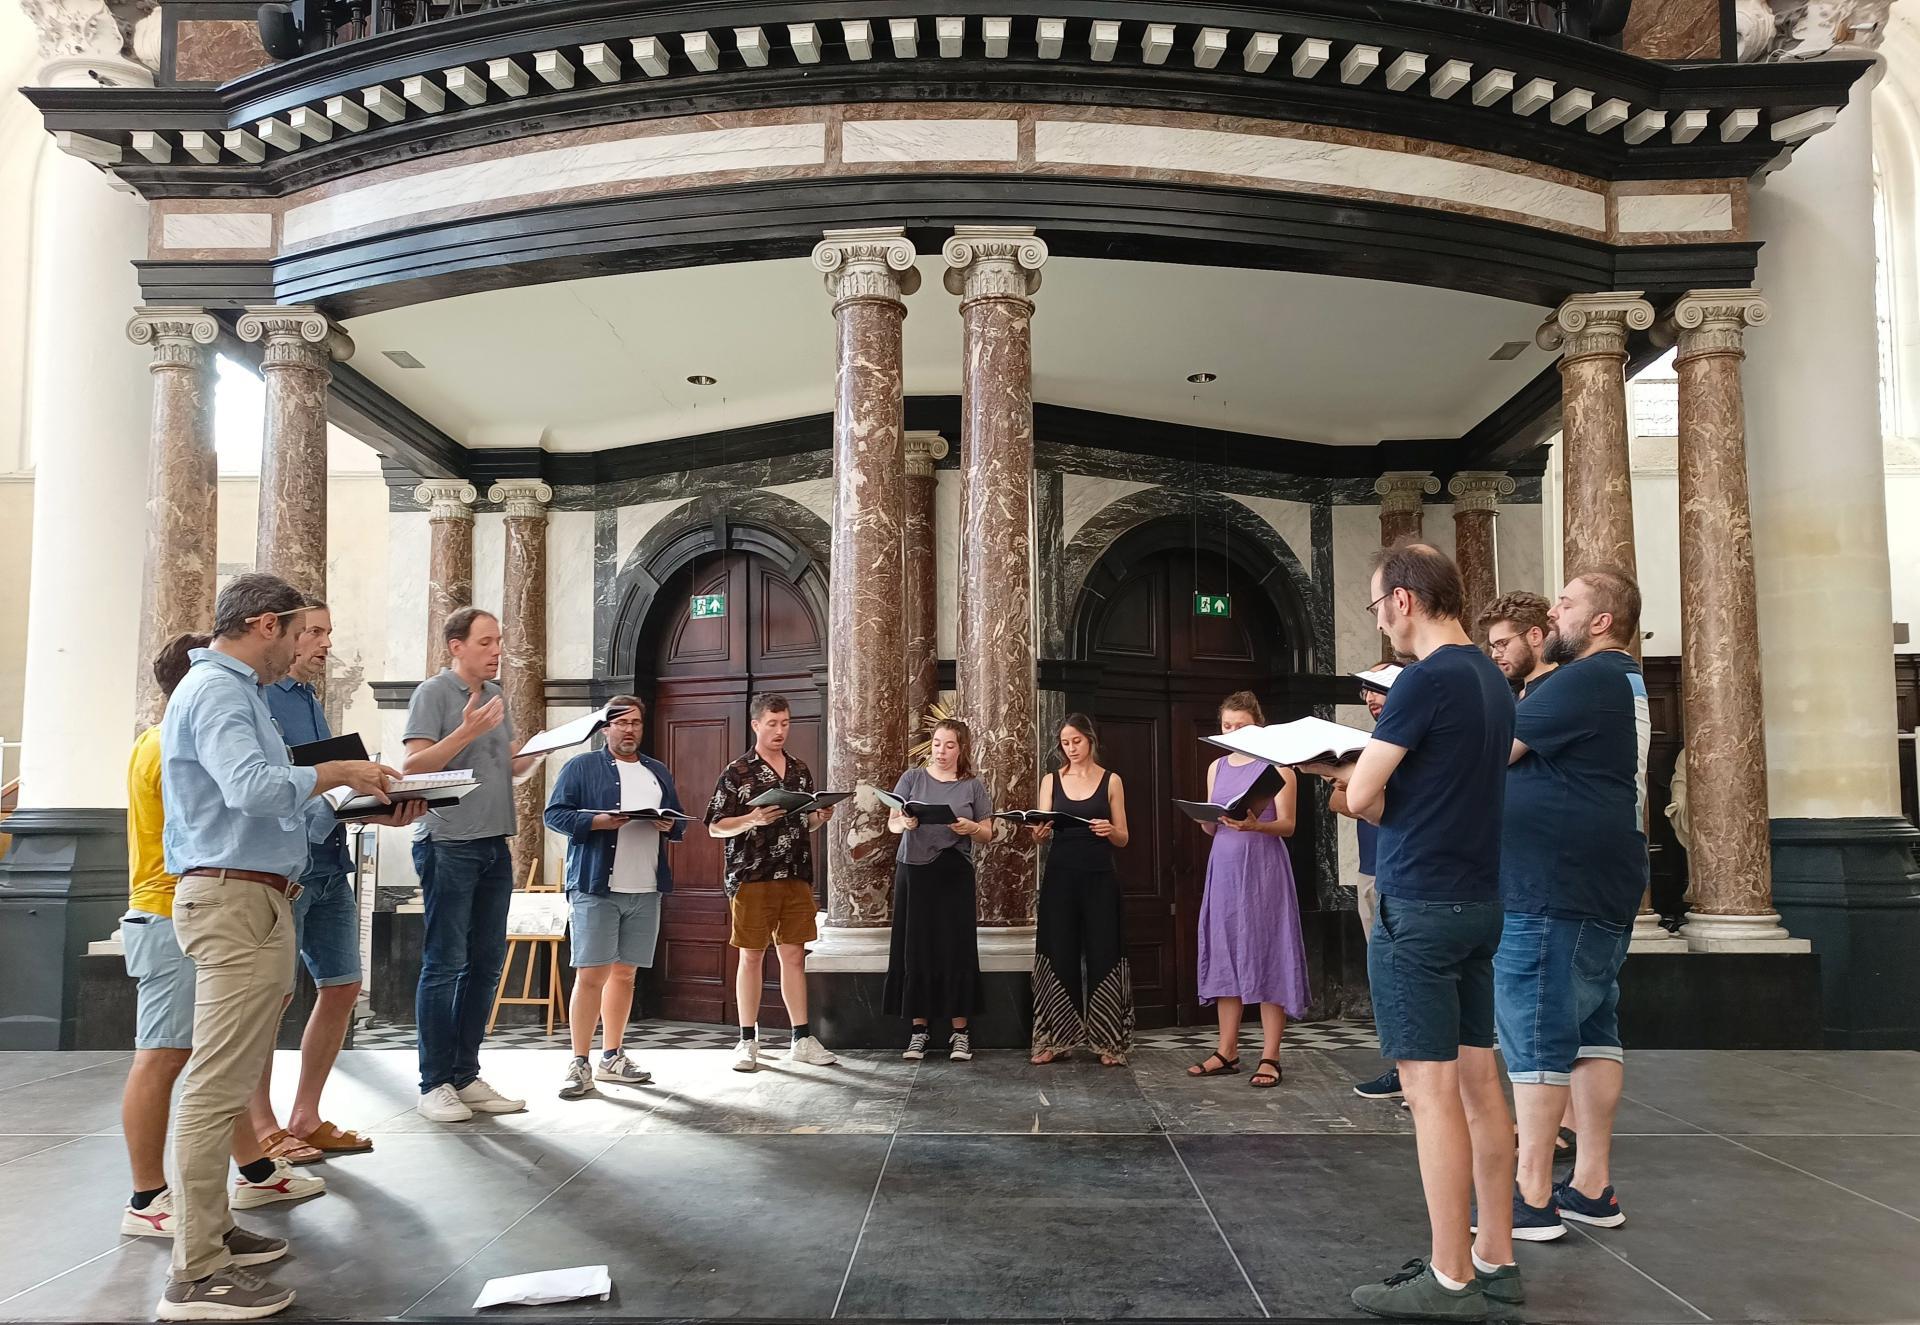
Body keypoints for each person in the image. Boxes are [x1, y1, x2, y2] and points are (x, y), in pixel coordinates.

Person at [156, 574, 417, 1322]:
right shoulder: (218, 689)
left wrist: (351, 798)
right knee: (215, 1083)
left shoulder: (232, 690)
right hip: (233, 895)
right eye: (299, 632)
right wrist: (339, 770)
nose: (305, 650)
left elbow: (273, 792)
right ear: (266, 624)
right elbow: (253, 788)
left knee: (230, 1071)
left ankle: (213, 1232)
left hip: (258, 891)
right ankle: (195, 1274)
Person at [1307, 544, 1519, 1320]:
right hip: (1477, 901)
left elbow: (1366, 795)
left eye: (1375, 605)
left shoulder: (1424, 679)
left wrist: (1335, 776)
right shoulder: (1492, 678)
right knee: (1478, 1085)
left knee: (1429, 1096)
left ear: (1402, 599)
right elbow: (1435, 799)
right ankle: (1494, 1257)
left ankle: (1450, 1276)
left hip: (1421, 907)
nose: (1380, 621)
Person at [119, 632, 326, 1249]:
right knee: (166, 1057)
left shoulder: (170, 735)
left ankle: (255, 1170)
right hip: (169, 908)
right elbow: (223, 815)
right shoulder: (165, 744)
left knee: (219, 1055)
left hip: (201, 902)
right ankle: (147, 1195)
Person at [1494, 570, 1648, 1243]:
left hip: (1557, 887)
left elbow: (1496, 750)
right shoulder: (1622, 680)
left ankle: (1530, 1195)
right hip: (1602, 881)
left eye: (1567, 602)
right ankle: (1590, 1184)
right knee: (1591, 1032)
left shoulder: (1585, 678)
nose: (1554, 610)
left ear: (1604, 619)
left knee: (1535, 1029)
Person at [402, 605, 540, 1122]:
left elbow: (511, 768)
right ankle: (433, 1082)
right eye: (485, 642)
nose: (496, 650)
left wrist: (536, 752)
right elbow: (412, 767)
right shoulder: (433, 694)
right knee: (444, 964)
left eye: (499, 641)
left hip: (493, 844)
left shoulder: (498, 696)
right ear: (456, 646)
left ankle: (465, 1074)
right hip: (448, 843)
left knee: (485, 966)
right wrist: (464, 732)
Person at [248, 601, 371, 1163]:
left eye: (329, 632)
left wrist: (364, 802)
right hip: (285, 869)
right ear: (284, 634)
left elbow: (324, 780)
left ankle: (305, 1114)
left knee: (343, 985)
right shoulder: (259, 697)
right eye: (315, 632)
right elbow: (279, 787)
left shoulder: (308, 698)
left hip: (329, 862)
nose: (325, 644)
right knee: (271, 996)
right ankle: (262, 1123)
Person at [543, 696, 687, 1099]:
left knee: (626, 974)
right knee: (591, 975)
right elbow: (554, 814)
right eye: (620, 723)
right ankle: (579, 1062)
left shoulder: (657, 771)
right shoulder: (581, 767)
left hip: (646, 886)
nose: (629, 730)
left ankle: (612, 1056)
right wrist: (597, 821)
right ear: (605, 728)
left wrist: (667, 825)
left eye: (635, 723)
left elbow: (676, 820)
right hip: (595, 887)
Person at [704, 692, 839, 1071]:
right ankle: (747, 1039)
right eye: (773, 724)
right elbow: (715, 826)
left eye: (785, 723)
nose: (780, 731)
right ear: (756, 725)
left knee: (794, 956)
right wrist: (752, 820)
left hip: (795, 873)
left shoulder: (798, 769)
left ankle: (801, 1038)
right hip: (752, 875)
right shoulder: (737, 772)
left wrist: (819, 818)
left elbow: (803, 824)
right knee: (751, 955)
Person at [1188, 690, 1309, 1088]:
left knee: (1268, 950)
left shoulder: (1280, 769)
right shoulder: (1216, 766)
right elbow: (1211, 823)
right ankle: (1227, 1050)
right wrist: (1205, 818)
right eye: (1227, 726)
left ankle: (1270, 1055)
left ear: (1259, 725)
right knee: (1225, 951)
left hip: (1263, 870)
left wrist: (1258, 825)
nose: (1233, 731)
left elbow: (1288, 825)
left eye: (1241, 725)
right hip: (1223, 867)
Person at [883, 718, 992, 1062]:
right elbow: (892, 822)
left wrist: (970, 826)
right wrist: (906, 822)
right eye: (936, 744)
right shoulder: (912, 778)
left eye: (949, 745)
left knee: (956, 948)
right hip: (914, 871)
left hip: (954, 871)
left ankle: (960, 1033)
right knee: (916, 946)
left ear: (961, 749)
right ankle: (919, 1031)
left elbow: (988, 833)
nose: (941, 751)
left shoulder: (973, 786)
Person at [1027, 713, 1133, 1067]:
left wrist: (1109, 830)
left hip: (1100, 875)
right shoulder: (1051, 781)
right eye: (1065, 743)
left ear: (1090, 740)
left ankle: (1109, 1042)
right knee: (1058, 952)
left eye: (1077, 741)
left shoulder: (1111, 780)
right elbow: (1040, 830)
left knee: (1105, 951)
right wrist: (1038, 834)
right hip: (1060, 876)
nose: (1071, 748)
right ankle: (1056, 1040)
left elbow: (1124, 837)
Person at [1349, 684, 1400, 1101]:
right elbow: (1340, 803)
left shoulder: (1411, 740)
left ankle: (1418, 1074)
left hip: (1407, 872)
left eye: (1379, 689)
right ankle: (1402, 1068)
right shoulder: (1366, 745)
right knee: (1385, 978)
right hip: (1370, 870)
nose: (1370, 697)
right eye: (1365, 690)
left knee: (1408, 979)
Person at [1479, 591, 1556, 699]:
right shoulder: (1508, 693)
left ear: (1535, 636)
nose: (1495, 655)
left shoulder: (1558, 692)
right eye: (1493, 646)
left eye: (1501, 643)